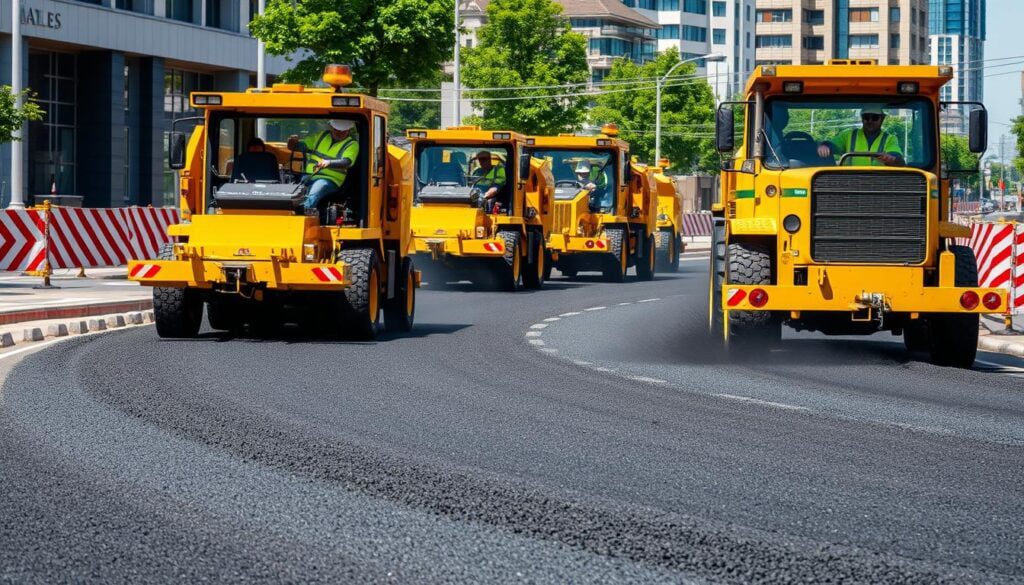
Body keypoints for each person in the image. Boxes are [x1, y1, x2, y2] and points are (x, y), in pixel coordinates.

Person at [287, 119, 359, 211]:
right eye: (336, 130)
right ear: (332, 128)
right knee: (295, 191)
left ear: (348, 130)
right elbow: (301, 146)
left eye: (343, 131)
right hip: (308, 176)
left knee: (316, 190)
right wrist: (293, 143)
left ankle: (304, 211)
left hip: (330, 179)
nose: (339, 133)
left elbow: (347, 161)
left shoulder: (352, 144)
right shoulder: (321, 136)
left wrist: (329, 163)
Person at [817, 106, 904, 166]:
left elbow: (897, 158)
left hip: (879, 184)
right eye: (866, 117)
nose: (870, 121)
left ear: (882, 119)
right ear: (862, 119)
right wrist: (825, 145)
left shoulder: (890, 139)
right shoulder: (848, 135)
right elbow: (833, 145)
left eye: (874, 118)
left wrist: (892, 159)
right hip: (849, 182)